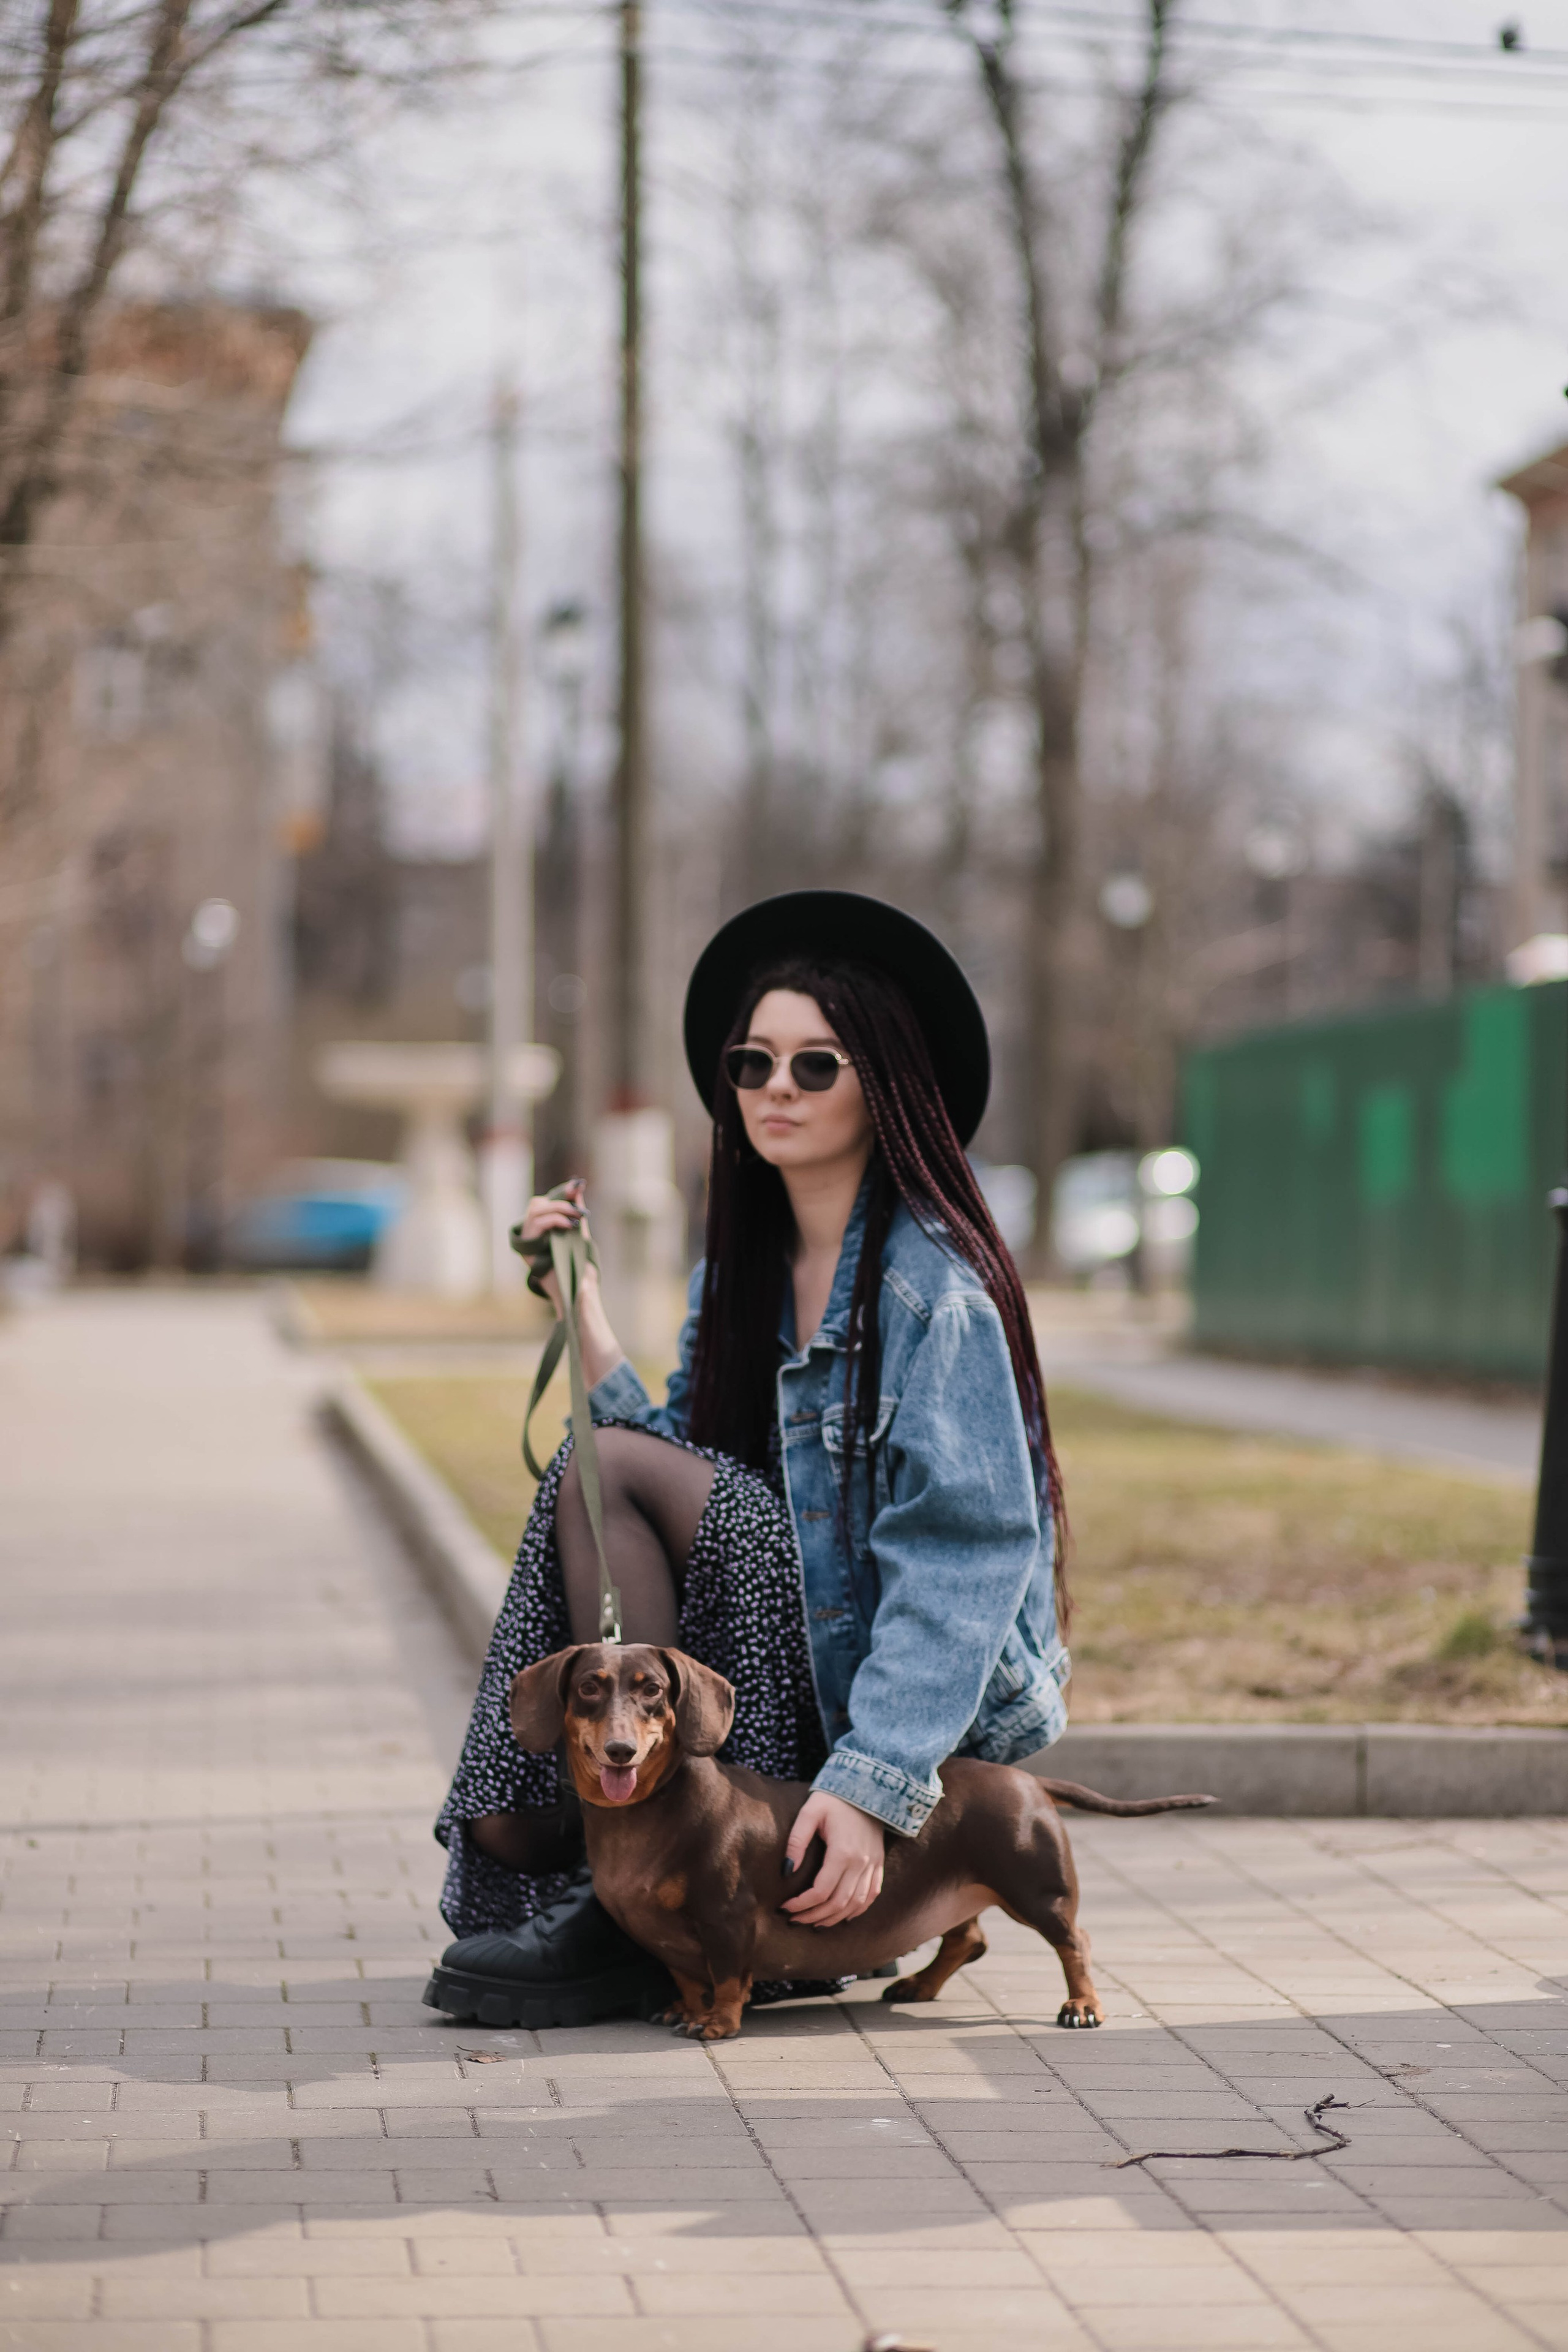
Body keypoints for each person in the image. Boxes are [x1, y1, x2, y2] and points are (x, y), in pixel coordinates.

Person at [425, 889, 1071, 2028]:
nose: (777, 1087)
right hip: (770, 1668)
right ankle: (625, 1879)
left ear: (886, 1084)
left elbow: (963, 1565)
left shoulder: (937, 1296)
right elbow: (683, 1470)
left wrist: (873, 1790)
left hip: (883, 1702)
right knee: (512, 1813)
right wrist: (578, 1305)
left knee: (601, 1467)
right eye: (753, 1062)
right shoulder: (742, 1278)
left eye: (816, 1066)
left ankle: (642, 1891)